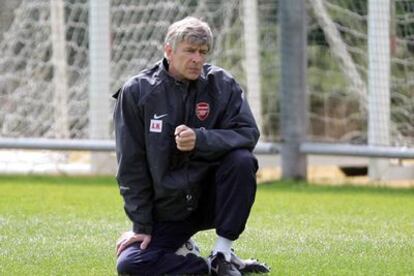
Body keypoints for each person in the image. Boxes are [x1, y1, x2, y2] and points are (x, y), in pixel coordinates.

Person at [113, 16, 269, 275]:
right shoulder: (137, 92)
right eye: (190, 51)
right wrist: (141, 225)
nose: (197, 59)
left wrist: (201, 139)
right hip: (168, 210)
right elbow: (131, 166)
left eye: (203, 52)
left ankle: (223, 253)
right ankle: (206, 266)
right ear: (169, 50)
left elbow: (248, 133)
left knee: (242, 160)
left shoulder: (222, 84)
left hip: (210, 200)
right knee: (130, 265)